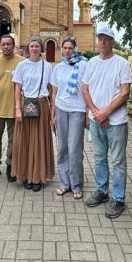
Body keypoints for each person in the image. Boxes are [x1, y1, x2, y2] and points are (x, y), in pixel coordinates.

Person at [81, 26, 132, 219]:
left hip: (116, 122)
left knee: (118, 160)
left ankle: (118, 199)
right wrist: (95, 112)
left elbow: (124, 92)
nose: (102, 42)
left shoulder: (121, 63)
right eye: (100, 39)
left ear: (112, 41)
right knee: (99, 158)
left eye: (106, 39)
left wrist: (106, 113)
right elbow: (85, 89)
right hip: (96, 120)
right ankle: (102, 191)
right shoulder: (91, 63)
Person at [12, 36, 54, 191]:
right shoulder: (22, 65)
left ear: (41, 48)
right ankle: (25, 176)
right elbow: (17, 88)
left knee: (39, 141)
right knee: (25, 141)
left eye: (37, 46)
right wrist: (17, 108)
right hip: (26, 105)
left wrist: (53, 112)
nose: (34, 49)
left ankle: (37, 177)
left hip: (42, 105)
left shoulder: (47, 66)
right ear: (28, 49)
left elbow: (51, 90)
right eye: (32, 46)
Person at [50, 37, 87, 199]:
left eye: (70, 48)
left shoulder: (83, 65)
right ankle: (65, 183)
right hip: (61, 109)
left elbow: (87, 90)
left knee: (74, 149)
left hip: (77, 110)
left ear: (75, 49)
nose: (67, 51)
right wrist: (52, 115)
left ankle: (76, 184)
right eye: (64, 48)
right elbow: (54, 93)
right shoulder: (58, 68)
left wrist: (88, 114)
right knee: (62, 148)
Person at [0, 34, 24, 183]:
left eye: (9, 44)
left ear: (13, 46)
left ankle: (10, 166)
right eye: (4, 44)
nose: (6, 46)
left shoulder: (22, 63)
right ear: (0, 46)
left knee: (14, 140)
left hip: (15, 110)